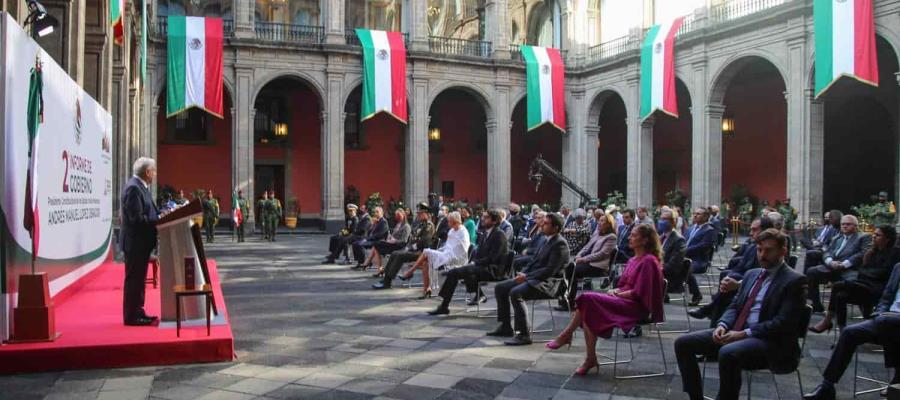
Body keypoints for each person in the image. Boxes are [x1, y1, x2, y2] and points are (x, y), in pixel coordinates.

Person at [674, 229, 808, 400]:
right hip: (737, 331)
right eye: (759, 250)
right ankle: (695, 396)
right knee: (683, 343)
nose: (762, 255)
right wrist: (722, 325)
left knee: (728, 353)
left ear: (783, 251)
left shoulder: (795, 281)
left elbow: (783, 323)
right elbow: (735, 306)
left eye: (769, 250)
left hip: (771, 341)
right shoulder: (752, 274)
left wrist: (743, 334)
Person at [544, 224, 665, 375]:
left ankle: (568, 338)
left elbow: (640, 292)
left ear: (645, 240)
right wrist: (616, 290)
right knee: (588, 307)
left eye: (633, 235)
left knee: (587, 298)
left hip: (636, 307)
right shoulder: (634, 259)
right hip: (624, 300)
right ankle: (589, 357)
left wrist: (618, 294)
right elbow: (624, 285)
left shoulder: (648, 261)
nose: (629, 237)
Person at [802, 263, 900, 400]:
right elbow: (886, 297)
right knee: (849, 332)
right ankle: (827, 386)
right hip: (885, 319)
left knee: (890, 325)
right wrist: (881, 312)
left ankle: (897, 381)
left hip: (892, 321)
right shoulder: (898, 267)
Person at [487, 213, 570, 346]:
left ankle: (523, 334)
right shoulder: (544, 239)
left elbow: (550, 270)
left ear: (555, 227)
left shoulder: (560, 244)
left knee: (516, 293)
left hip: (550, 283)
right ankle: (505, 326)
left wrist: (526, 277)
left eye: (546, 223)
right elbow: (533, 261)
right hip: (534, 278)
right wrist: (523, 273)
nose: (542, 224)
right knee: (501, 287)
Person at [809, 225, 900, 333]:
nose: (874, 237)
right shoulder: (872, 252)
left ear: (887, 239)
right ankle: (842, 330)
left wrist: (866, 273)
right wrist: (866, 273)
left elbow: (883, 273)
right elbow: (863, 270)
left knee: (838, 285)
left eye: (878, 235)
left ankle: (827, 320)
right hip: (863, 284)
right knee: (840, 296)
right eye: (874, 234)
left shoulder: (894, 253)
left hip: (877, 288)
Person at [689, 217, 773, 325]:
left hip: (755, 289)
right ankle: (716, 322)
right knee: (728, 279)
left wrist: (738, 283)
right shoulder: (752, 247)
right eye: (751, 229)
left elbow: (764, 276)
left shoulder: (769, 253)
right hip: (742, 281)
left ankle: (713, 316)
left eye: (755, 230)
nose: (751, 233)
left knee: (728, 288)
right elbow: (740, 267)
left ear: (765, 231)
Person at [428, 210, 508, 314]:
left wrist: (475, 263)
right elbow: (479, 253)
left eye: (487, 217)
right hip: (483, 266)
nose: (483, 219)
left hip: (493, 269)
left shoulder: (499, 235)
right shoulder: (486, 233)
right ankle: (447, 305)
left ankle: (444, 306)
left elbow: (494, 258)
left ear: (494, 221)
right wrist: (474, 262)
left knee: (455, 272)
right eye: (483, 217)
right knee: (459, 272)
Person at [120, 157, 161, 326]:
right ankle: (132, 316)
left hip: (141, 244)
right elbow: (136, 219)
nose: (155, 174)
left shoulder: (141, 187)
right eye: (154, 171)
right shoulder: (134, 189)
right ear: (147, 172)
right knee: (134, 281)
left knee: (138, 281)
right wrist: (157, 221)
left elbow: (149, 211)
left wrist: (159, 216)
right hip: (135, 243)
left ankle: (139, 311)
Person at [806, 215, 873, 312]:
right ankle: (816, 305)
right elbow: (826, 251)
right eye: (843, 224)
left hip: (850, 269)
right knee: (811, 272)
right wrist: (830, 262)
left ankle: (865, 311)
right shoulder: (837, 238)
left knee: (846, 285)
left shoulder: (863, 237)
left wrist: (844, 264)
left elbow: (862, 254)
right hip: (833, 267)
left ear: (855, 226)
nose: (845, 226)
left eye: (848, 224)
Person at [400, 211, 470, 299]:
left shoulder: (463, 231)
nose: (448, 223)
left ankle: (410, 272)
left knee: (426, 253)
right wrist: (440, 251)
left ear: (455, 221)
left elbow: (463, 249)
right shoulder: (451, 231)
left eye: (449, 221)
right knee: (425, 260)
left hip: (456, 259)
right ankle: (426, 289)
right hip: (447, 254)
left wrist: (444, 253)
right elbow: (447, 246)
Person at [559, 213, 617, 310]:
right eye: (599, 220)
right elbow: (586, 247)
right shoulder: (597, 233)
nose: (599, 223)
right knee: (569, 268)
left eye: (603, 221)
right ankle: (567, 299)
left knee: (572, 270)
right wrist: (578, 256)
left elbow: (602, 254)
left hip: (598, 266)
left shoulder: (611, 237)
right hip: (587, 262)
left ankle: (569, 301)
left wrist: (584, 259)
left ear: (609, 224)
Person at [372, 203, 436, 289]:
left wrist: (411, 248)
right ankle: (386, 279)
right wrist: (408, 247)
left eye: (421, 213)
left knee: (399, 255)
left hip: (421, 253)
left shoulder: (429, 225)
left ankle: (387, 282)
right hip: (414, 250)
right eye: (418, 213)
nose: (419, 215)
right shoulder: (420, 224)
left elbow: (424, 241)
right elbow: (413, 238)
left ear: (427, 214)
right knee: (395, 253)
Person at [684, 207, 718, 306]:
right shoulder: (690, 228)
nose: (695, 215)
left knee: (685, 268)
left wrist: (685, 251)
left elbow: (703, 247)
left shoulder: (709, 230)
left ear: (706, 216)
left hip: (698, 260)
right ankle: (666, 292)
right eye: (694, 213)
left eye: (698, 214)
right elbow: (683, 241)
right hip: (684, 257)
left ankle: (697, 294)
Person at [367, 209, 411, 276]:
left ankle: (380, 269)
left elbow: (404, 240)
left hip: (398, 246)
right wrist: (389, 239)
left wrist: (394, 241)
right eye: (396, 215)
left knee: (377, 245)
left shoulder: (406, 226)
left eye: (398, 215)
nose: (397, 217)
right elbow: (393, 235)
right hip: (392, 244)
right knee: (377, 245)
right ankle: (380, 269)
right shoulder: (398, 224)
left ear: (403, 215)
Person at [658, 210, 687, 298]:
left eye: (665, 219)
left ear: (673, 222)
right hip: (659, 270)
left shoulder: (678, 240)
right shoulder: (661, 237)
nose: (662, 222)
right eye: (661, 219)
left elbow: (674, 264)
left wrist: (657, 269)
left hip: (670, 276)